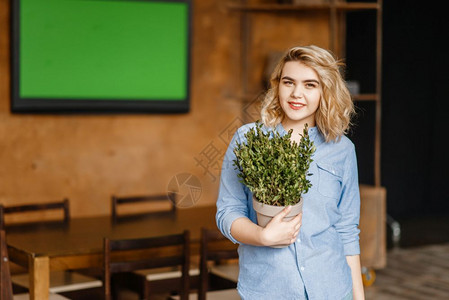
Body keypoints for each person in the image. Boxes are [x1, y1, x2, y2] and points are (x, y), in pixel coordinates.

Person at [216, 45, 364, 300]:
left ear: (325, 90)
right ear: (278, 85)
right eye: (289, 82)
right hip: (269, 290)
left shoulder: (342, 150)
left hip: (332, 288)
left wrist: (358, 297)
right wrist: (262, 237)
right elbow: (227, 212)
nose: (296, 93)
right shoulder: (248, 140)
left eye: (310, 84)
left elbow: (347, 230)